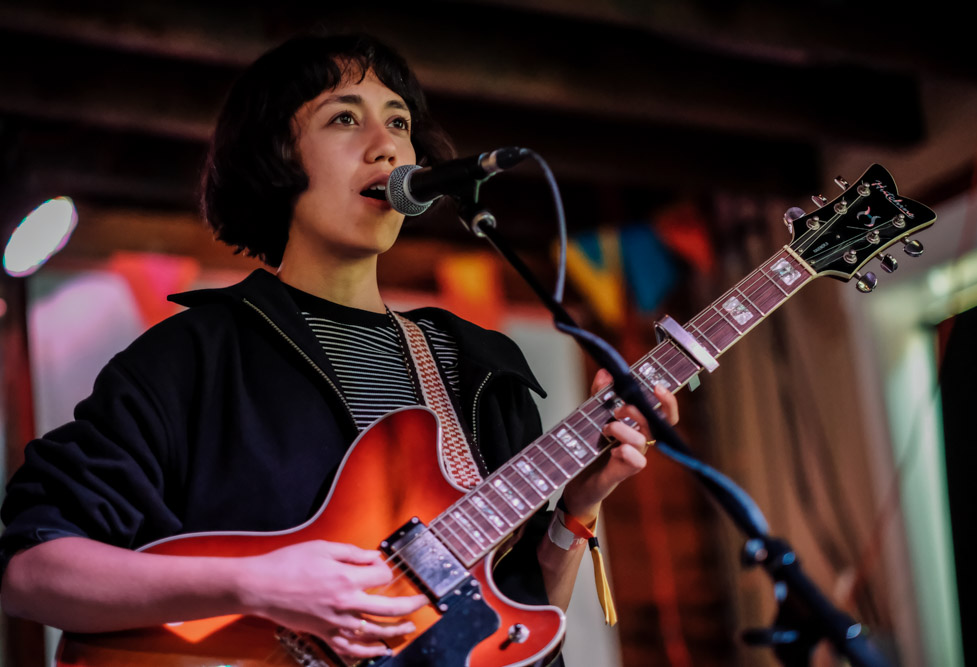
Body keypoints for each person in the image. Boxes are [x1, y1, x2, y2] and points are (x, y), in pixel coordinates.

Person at [0, 33, 678, 663]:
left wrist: (578, 505)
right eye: (346, 118)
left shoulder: (479, 368)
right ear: (277, 157)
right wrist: (253, 584)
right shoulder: (192, 357)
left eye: (400, 123)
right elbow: (28, 570)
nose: (387, 147)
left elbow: (514, 627)